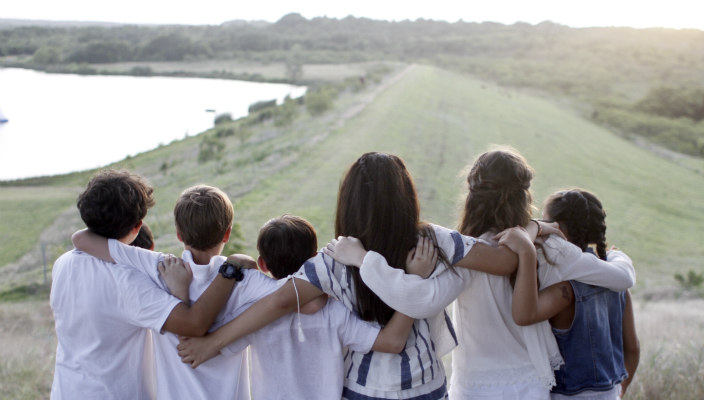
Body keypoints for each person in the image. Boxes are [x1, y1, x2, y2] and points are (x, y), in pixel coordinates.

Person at [177, 152, 521, 400]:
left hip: (362, 388)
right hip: (425, 384)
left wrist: (212, 343)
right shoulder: (435, 241)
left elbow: (278, 302)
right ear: (407, 198)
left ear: (349, 204)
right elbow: (505, 263)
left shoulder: (335, 258)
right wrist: (530, 234)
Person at [325, 148, 637, 399]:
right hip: (531, 383)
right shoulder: (548, 246)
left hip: (473, 385)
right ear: (525, 195)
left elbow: (420, 300)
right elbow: (623, 279)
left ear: (472, 195)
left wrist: (362, 259)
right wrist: (613, 254)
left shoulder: (462, 254)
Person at [71, 184, 277, 400]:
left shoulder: (159, 268)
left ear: (179, 234)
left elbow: (80, 239)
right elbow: (291, 297)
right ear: (227, 234)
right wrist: (242, 261)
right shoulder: (244, 279)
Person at [51, 170, 236, 399]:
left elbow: (80, 237)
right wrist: (233, 270)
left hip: (65, 390)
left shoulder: (63, 264)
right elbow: (193, 324)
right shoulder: (128, 280)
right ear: (138, 227)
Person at [209, 214, 417, 399]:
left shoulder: (251, 316)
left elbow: (214, 346)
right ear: (315, 260)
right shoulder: (334, 312)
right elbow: (392, 343)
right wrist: (414, 283)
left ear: (262, 264)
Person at [503, 189, 640, 399]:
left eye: (546, 222)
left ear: (559, 230)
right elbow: (633, 348)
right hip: (610, 391)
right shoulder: (617, 282)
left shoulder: (563, 290)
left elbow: (524, 315)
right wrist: (620, 390)